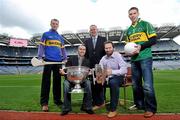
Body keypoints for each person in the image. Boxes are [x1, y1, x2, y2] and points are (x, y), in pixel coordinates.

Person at [126, 7, 157, 118]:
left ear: (138, 13)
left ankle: (151, 108)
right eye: (130, 14)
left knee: (147, 85)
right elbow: (128, 46)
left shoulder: (145, 24)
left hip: (145, 57)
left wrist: (141, 46)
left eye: (134, 13)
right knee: (136, 85)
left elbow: (154, 40)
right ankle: (139, 105)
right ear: (128, 15)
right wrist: (129, 52)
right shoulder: (128, 30)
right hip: (134, 60)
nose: (132, 15)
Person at [38, 18, 67, 112]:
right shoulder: (45, 34)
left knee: (57, 82)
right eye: (53, 23)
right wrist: (40, 57)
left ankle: (57, 101)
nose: (55, 25)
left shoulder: (60, 37)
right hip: (48, 61)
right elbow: (41, 46)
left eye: (56, 24)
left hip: (58, 62)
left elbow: (63, 49)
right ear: (51, 24)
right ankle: (44, 103)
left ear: (58, 25)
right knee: (46, 82)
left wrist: (65, 58)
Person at [60, 44, 94, 116]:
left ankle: (87, 107)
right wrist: (63, 72)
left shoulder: (88, 61)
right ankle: (66, 108)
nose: (82, 51)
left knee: (88, 83)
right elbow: (66, 69)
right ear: (77, 50)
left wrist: (90, 72)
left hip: (82, 80)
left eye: (84, 49)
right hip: (71, 79)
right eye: (80, 49)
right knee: (65, 84)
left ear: (85, 51)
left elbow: (89, 72)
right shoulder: (71, 58)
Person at [99, 41, 127, 118]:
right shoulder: (103, 58)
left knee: (113, 82)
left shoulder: (118, 56)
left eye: (109, 48)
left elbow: (124, 70)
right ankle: (100, 102)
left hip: (119, 76)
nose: (108, 50)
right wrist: (100, 75)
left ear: (113, 48)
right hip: (107, 77)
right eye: (106, 48)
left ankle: (113, 109)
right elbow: (100, 69)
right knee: (96, 81)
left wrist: (112, 72)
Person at [84, 24, 106, 109]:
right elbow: (86, 55)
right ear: (89, 31)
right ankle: (95, 101)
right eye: (91, 30)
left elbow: (105, 52)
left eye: (94, 29)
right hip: (90, 66)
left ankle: (102, 101)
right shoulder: (87, 41)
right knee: (93, 84)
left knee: (100, 83)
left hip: (100, 65)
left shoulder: (103, 39)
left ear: (97, 30)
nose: (93, 31)